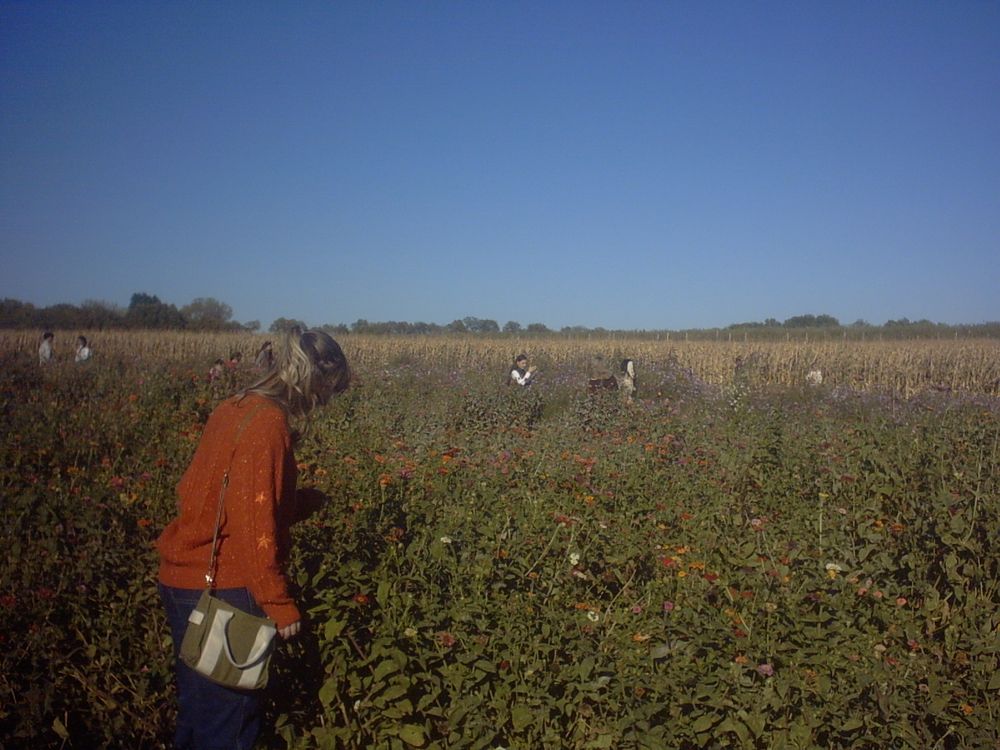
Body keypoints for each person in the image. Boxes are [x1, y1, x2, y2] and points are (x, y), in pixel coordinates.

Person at [157, 329, 351, 750]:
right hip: (226, 588)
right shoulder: (268, 424)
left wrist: (296, 503)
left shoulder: (234, 407)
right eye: (327, 392)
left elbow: (209, 495)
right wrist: (279, 604)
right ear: (314, 378)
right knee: (229, 727)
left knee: (199, 716)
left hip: (185, 580)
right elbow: (253, 527)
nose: (324, 403)